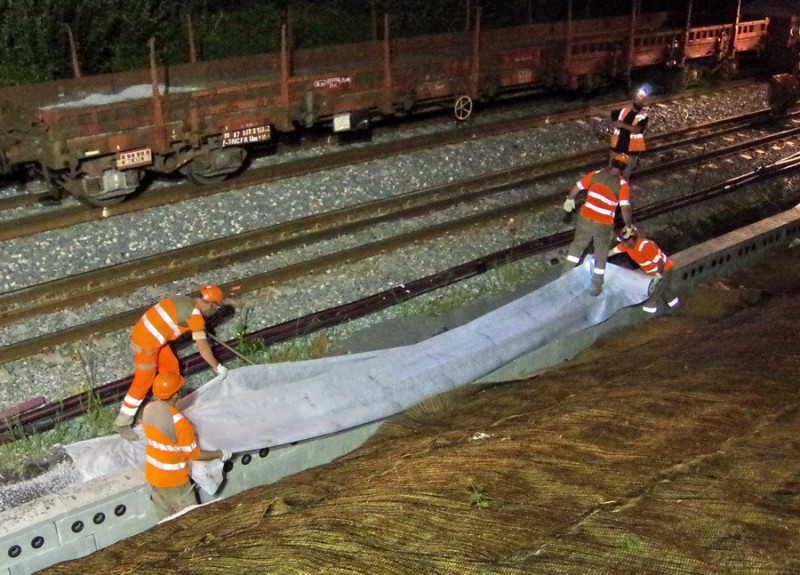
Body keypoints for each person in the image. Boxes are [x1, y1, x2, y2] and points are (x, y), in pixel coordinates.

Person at [113, 285, 228, 440]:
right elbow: (203, 347)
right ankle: (122, 422)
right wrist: (217, 366)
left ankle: (167, 408)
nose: (216, 310)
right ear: (209, 305)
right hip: (147, 345)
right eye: (217, 307)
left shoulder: (183, 299)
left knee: (172, 371)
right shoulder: (195, 316)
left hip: (151, 336)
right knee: (142, 382)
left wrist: (197, 327)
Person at [142, 372, 230, 518]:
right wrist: (220, 454)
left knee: (166, 523)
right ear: (176, 394)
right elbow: (195, 454)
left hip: (153, 476)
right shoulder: (179, 422)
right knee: (192, 521)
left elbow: (162, 437)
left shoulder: (149, 409)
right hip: (174, 481)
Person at [562, 154, 634, 296]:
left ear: (612, 162)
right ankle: (595, 287)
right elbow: (625, 208)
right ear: (624, 168)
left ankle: (564, 279)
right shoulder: (622, 185)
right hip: (603, 224)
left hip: (585, 219)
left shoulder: (595, 174)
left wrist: (569, 199)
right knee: (601, 254)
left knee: (576, 248)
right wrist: (628, 226)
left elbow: (577, 187)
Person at [609, 227, 680, 314]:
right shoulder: (626, 246)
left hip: (664, 270)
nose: (621, 244)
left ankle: (650, 311)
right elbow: (612, 252)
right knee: (665, 292)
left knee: (654, 292)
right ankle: (676, 309)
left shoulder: (646, 247)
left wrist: (657, 277)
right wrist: (598, 257)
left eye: (623, 241)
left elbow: (660, 263)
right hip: (652, 272)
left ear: (631, 240)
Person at [609, 87, 649, 180]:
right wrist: (596, 110)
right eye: (639, 99)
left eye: (642, 100)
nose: (640, 101)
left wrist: (622, 124)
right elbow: (611, 115)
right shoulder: (624, 111)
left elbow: (637, 129)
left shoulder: (643, 116)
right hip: (617, 146)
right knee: (611, 172)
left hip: (632, 150)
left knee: (625, 175)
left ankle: (622, 188)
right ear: (633, 100)